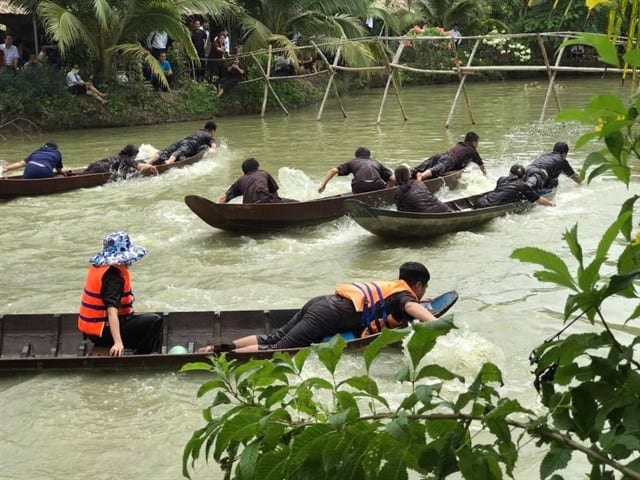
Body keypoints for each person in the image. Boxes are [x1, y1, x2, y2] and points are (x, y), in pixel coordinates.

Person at [198, 262, 436, 353]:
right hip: (328, 315)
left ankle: (217, 348)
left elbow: (405, 302)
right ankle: (219, 355)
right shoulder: (404, 298)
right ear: (417, 285)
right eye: (423, 289)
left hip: (320, 302)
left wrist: (418, 300)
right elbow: (411, 308)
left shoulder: (396, 288)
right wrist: (437, 325)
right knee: (278, 350)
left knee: (273, 337)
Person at [78, 232, 163, 356]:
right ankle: (144, 355)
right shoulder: (113, 277)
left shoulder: (101, 267)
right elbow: (111, 311)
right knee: (155, 321)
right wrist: (118, 343)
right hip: (103, 332)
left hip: (94, 331)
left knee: (140, 319)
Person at [473, 164, 555, 209]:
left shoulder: (501, 179)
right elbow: (539, 200)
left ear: (510, 173)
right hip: (489, 207)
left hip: (479, 202)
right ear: (524, 176)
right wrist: (551, 204)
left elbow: (498, 192)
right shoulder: (523, 185)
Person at [218, 157, 297, 204]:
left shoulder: (240, 180)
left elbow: (224, 198)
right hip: (268, 203)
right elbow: (274, 192)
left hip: (249, 207)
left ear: (244, 171)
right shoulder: (263, 173)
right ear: (257, 167)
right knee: (295, 202)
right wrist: (278, 203)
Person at [318, 147, 395, 194]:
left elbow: (333, 171)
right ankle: (384, 194)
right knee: (388, 180)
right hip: (377, 187)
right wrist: (388, 191)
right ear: (369, 156)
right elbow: (393, 179)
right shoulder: (376, 162)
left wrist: (323, 185)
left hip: (359, 187)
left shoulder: (353, 162)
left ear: (356, 156)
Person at [415, 132, 487, 180]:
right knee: (437, 169)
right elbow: (482, 167)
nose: (478, 144)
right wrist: (486, 176)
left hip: (440, 156)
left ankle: (411, 173)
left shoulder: (460, 144)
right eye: (477, 141)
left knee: (422, 167)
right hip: (450, 160)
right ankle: (421, 176)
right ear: (474, 142)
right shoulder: (472, 151)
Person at [148, 121, 217, 165]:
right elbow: (214, 147)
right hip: (190, 144)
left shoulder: (197, 131)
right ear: (212, 131)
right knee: (179, 152)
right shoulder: (209, 135)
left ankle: (149, 161)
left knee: (166, 151)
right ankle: (169, 161)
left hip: (182, 141)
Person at [84, 144, 158, 178]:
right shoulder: (128, 160)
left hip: (94, 165)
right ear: (133, 155)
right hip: (99, 170)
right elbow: (150, 168)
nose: (136, 157)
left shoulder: (118, 156)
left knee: (83, 174)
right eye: (136, 155)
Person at [1, 142, 66, 179]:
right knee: (57, 177)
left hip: (30, 169)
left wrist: (5, 168)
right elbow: (59, 169)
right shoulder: (57, 153)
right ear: (55, 148)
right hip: (45, 170)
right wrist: (62, 173)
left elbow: (21, 163)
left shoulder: (37, 152)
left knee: (24, 181)